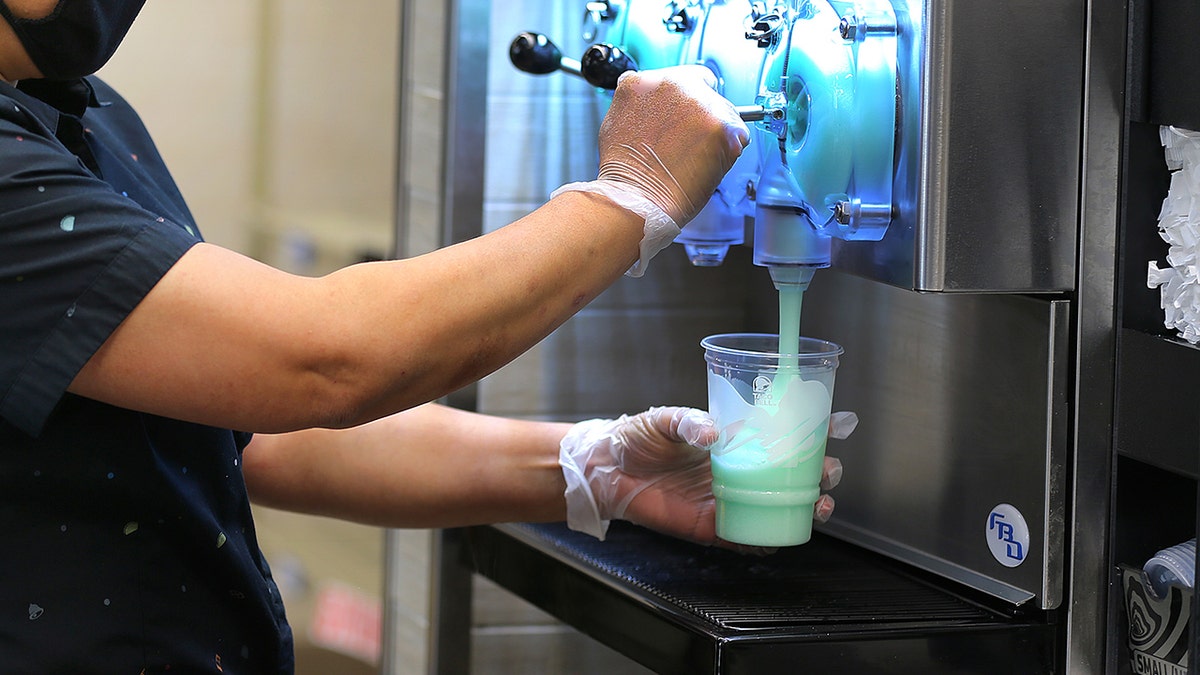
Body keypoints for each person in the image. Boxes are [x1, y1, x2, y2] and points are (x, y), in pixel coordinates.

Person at [0, 1, 850, 673]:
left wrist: (596, 468)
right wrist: (632, 194)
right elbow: (320, 359)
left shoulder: (81, 115)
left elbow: (239, 427)